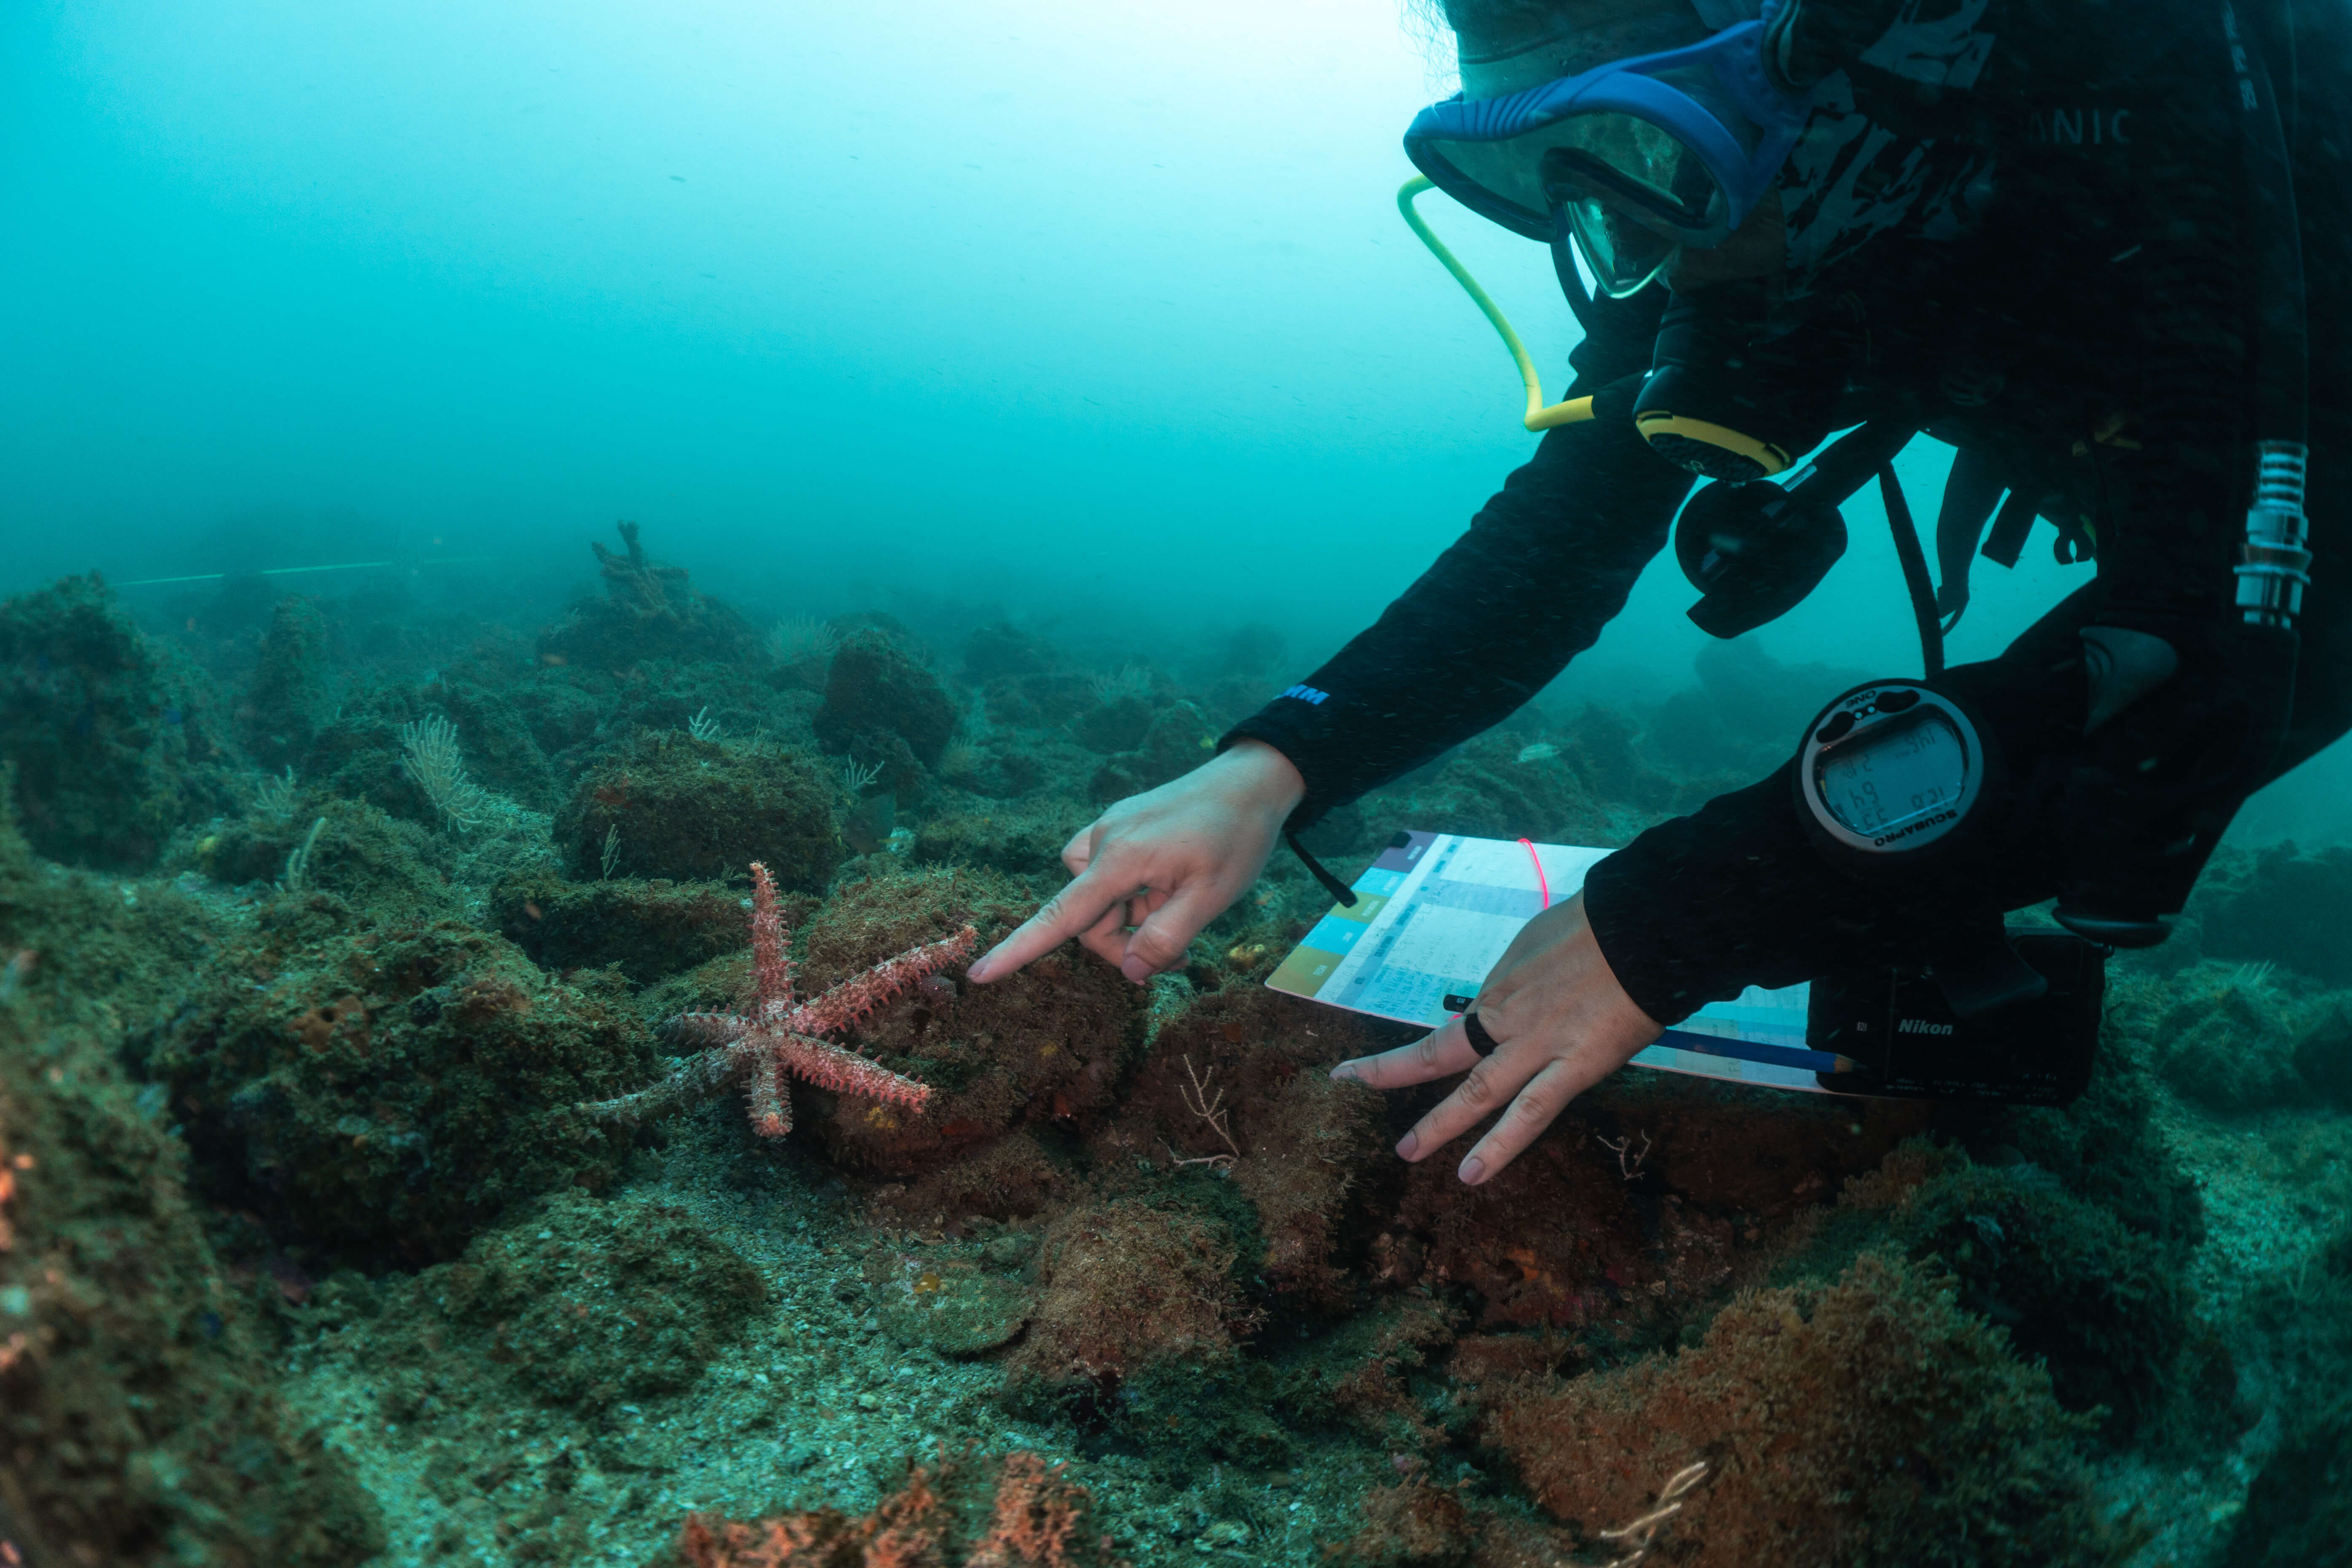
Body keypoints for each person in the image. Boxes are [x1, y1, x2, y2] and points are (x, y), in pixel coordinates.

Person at [969, 0, 2351, 1187]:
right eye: (1543, 172)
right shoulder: (1775, 211)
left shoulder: (2158, 108)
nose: (1618, 232)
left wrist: (1668, 923)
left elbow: (2219, 652)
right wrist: (1276, 764)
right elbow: (1571, 528)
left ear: (1828, 63)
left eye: (1644, 142)